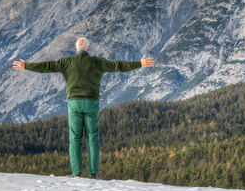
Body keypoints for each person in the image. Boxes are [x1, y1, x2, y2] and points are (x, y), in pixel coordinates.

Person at [12, 37, 154, 179]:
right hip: (91, 103)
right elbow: (118, 65)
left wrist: (26, 66)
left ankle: (77, 174)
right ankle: (93, 173)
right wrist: (140, 63)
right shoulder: (98, 62)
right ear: (89, 49)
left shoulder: (66, 62)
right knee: (93, 138)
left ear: (76, 49)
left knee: (75, 139)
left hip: (74, 104)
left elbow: (46, 67)